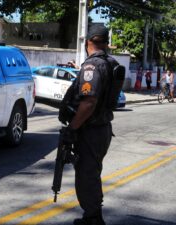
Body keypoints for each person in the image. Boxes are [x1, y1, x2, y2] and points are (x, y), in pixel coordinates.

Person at [59, 24, 118, 225]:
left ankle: (93, 219)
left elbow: (89, 102)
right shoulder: (110, 62)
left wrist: (72, 128)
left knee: (86, 176)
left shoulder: (92, 66)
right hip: (102, 129)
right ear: (105, 42)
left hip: (91, 131)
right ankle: (94, 216)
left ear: (88, 42)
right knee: (91, 174)